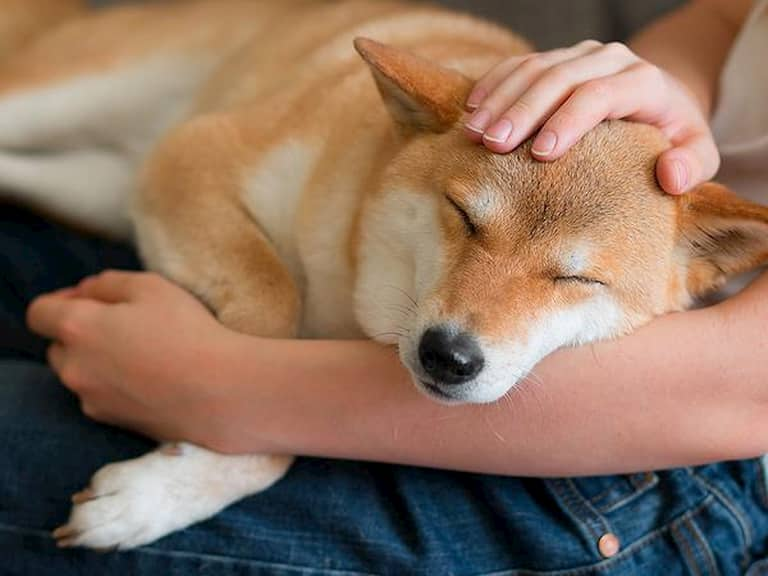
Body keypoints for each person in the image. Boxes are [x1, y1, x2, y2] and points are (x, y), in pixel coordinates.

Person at [3, 0, 767, 573]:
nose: (468, 320)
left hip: (630, 457)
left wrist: (233, 400)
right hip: (258, 129)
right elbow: (730, 14)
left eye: (568, 279)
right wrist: (668, 99)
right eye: (468, 223)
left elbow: (750, 387)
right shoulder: (416, 147)